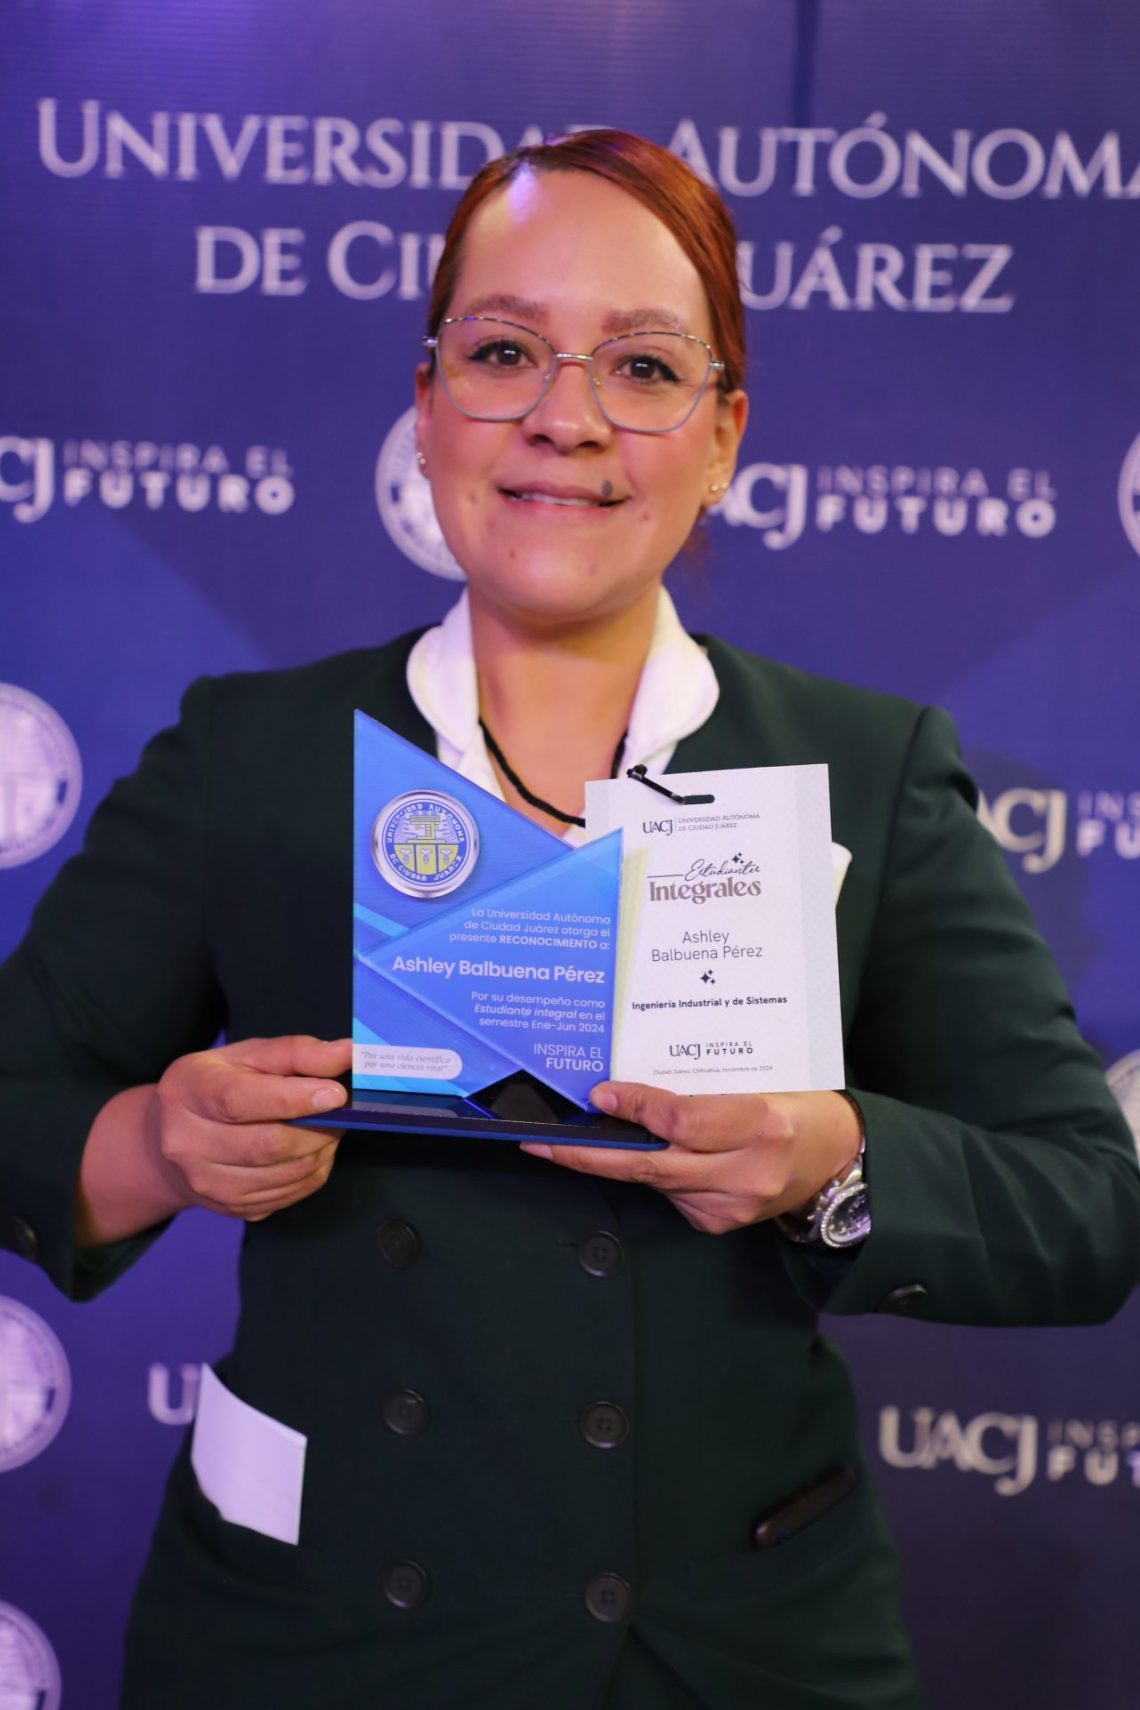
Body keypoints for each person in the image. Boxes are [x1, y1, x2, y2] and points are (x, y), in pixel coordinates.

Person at [1, 129, 1137, 1710]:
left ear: (725, 435)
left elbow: (1086, 1205)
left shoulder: (861, 775)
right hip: (318, 1641)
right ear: (425, 404)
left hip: (724, 1655)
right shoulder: (246, 759)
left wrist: (826, 1161)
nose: (567, 415)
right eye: (504, 351)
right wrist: (157, 1139)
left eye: (645, 366)